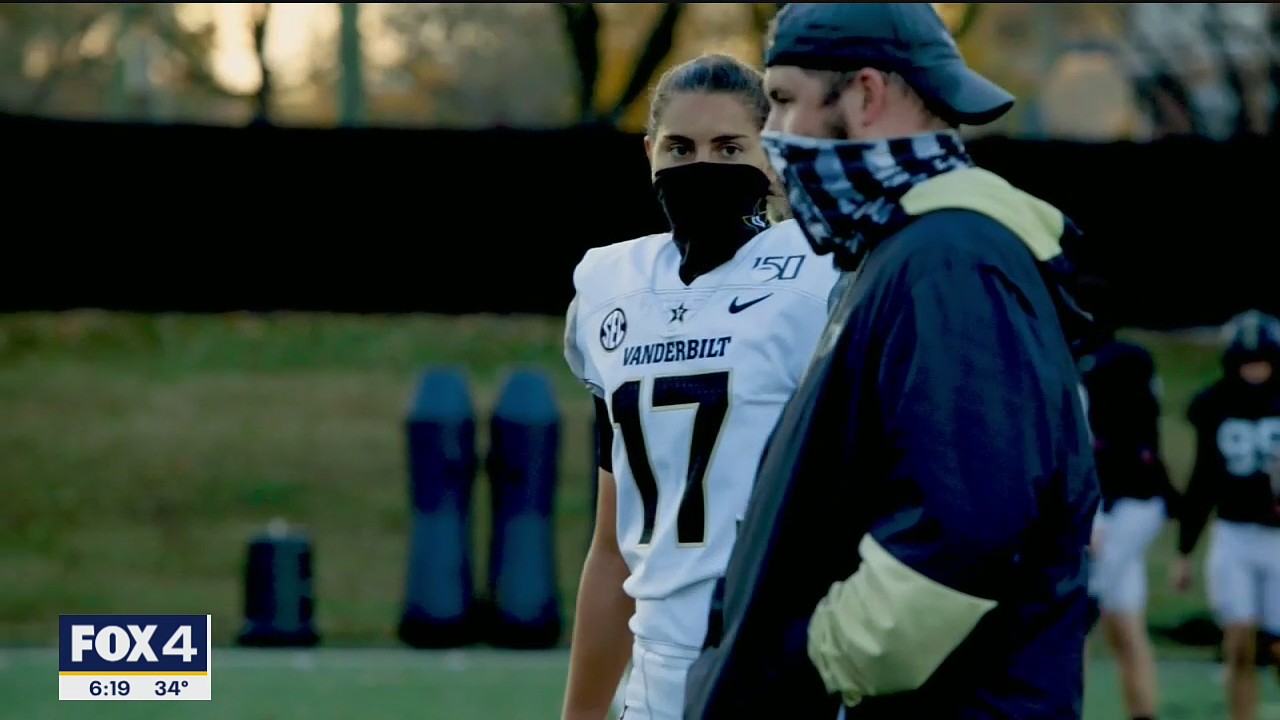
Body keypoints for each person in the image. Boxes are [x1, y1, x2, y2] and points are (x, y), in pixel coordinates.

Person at [684, 5, 1100, 719]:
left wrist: (810, 671)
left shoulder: (952, 261)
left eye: (783, 100)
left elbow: (967, 529)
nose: (771, 136)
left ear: (868, 95)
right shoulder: (902, 252)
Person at [561, 53, 840, 720]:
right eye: (681, 147)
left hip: (780, 677)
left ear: (772, 155)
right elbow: (611, 547)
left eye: (729, 147)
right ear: (650, 152)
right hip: (657, 686)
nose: (703, 167)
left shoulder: (821, 274)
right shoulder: (609, 287)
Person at [1172, 309, 1280, 720]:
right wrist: (1185, 551)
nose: (1254, 370)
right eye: (1246, 362)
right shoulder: (1214, 404)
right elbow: (1203, 481)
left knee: (1278, 645)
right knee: (1238, 643)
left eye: (1262, 361)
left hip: (1277, 538)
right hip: (1234, 533)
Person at [1079, 338, 1180, 720]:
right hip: (1122, 506)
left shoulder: (1106, 376)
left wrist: (1096, 519)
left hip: (1127, 507)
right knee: (1124, 622)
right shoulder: (1113, 369)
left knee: (1078, 614)